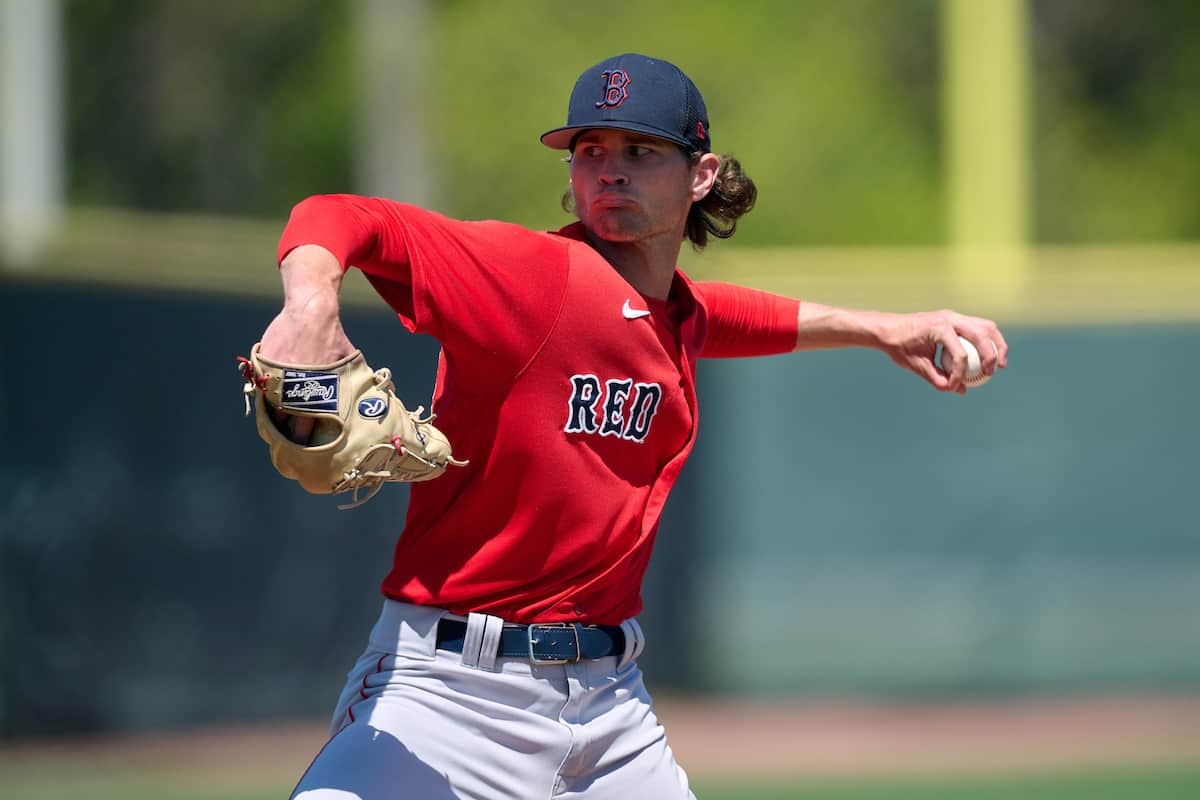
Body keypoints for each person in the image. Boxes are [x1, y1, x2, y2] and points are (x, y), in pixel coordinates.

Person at [262, 53, 1007, 800]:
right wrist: (310, 307)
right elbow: (337, 216)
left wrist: (886, 329)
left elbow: (732, 316)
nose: (609, 171)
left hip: (611, 712)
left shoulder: (672, 313)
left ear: (701, 175)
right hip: (452, 698)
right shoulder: (531, 276)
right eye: (591, 152)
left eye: (639, 151)